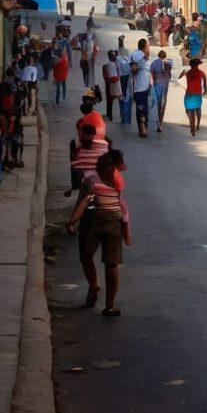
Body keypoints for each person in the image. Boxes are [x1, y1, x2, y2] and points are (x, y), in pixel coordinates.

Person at [67, 150, 131, 316]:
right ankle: (93, 287)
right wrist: (73, 220)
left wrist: (124, 225)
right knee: (87, 256)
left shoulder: (117, 179)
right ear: (105, 168)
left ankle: (109, 304)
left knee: (110, 265)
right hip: (93, 221)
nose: (116, 172)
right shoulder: (91, 179)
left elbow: (120, 203)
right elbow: (84, 200)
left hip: (111, 223)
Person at [129, 39, 152, 138]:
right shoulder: (139, 55)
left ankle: (144, 127)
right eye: (147, 46)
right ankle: (142, 128)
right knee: (141, 108)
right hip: (140, 88)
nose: (149, 48)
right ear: (144, 47)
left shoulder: (143, 56)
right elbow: (133, 67)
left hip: (144, 87)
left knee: (144, 108)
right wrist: (135, 67)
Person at [179, 57, 207, 136]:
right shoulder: (202, 73)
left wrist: (183, 71)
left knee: (188, 110)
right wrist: (205, 90)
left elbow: (179, 77)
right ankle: (197, 125)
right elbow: (205, 84)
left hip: (189, 94)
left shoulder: (188, 72)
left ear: (190, 65)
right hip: (198, 95)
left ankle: (191, 122)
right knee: (198, 109)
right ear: (198, 65)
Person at [150, 50, 173, 133]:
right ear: (165, 56)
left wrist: (151, 84)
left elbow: (151, 74)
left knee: (155, 103)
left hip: (156, 85)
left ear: (158, 55)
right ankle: (160, 123)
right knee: (162, 105)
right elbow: (170, 76)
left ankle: (156, 122)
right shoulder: (169, 64)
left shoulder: (154, 63)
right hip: (164, 86)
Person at [102, 50, 122, 121]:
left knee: (110, 100)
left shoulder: (107, 66)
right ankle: (111, 115)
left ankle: (109, 115)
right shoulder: (118, 64)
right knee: (113, 100)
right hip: (116, 83)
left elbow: (106, 77)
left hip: (112, 83)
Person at [116, 40, 132, 125]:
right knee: (127, 98)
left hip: (122, 79)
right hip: (127, 79)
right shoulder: (128, 54)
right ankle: (127, 119)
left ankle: (124, 118)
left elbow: (118, 71)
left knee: (122, 98)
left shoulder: (118, 57)